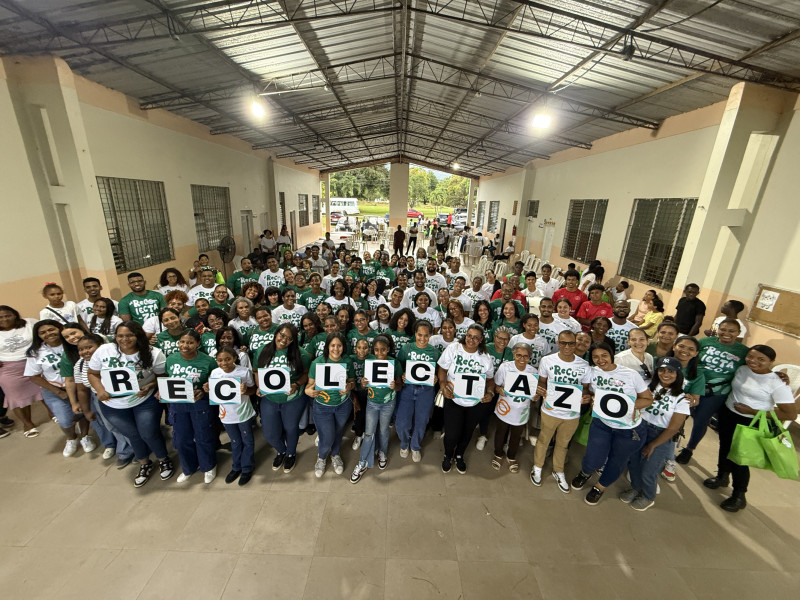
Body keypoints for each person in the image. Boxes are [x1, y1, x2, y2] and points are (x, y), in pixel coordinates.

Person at [704, 345, 796, 512]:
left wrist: (754, 411)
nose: (754, 361)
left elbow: (789, 414)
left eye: (761, 359)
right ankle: (722, 477)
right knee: (725, 447)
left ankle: (739, 495)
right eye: (751, 357)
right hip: (728, 414)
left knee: (740, 458)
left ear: (771, 362)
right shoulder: (743, 369)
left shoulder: (777, 383)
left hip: (750, 422)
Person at [87, 321, 174, 488]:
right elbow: (92, 373)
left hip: (143, 400)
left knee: (148, 432)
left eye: (129, 335)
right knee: (133, 435)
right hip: (112, 403)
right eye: (120, 335)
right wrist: (99, 389)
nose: (124, 339)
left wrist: (150, 385)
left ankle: (163, 458)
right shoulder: (105, 350)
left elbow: (162, 376)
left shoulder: (153, 353)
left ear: (138, 336)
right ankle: (144, 463)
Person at [571, 342, 654, 505]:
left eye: (604, 355)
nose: (600, 360)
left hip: (629, 430)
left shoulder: (630, 375)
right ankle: (585, 472)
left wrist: (626, 406)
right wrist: (589, 397)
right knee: (593, 456)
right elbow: (587, 390)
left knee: (617, 461)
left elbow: (648, 399)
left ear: (611, 355)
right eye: (595, 356)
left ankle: (600, 487)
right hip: (602, 424)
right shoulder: (592, 372)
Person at [620, 356, 690, 511]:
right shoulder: (646, 386)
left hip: (661, 435)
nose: (666, 374)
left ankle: (648, 496)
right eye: (662, 370)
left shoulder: (681, 399)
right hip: (640, 428)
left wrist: (653, 444)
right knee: (634, 463)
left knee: (649, 469)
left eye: (671, 371)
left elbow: (673, 428)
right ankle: (636, 488)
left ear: (678, 374)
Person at [676, 319, 749, 466]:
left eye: (731, 331)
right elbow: (690, 358)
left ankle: (689, 449)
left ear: (738, 333)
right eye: (723, 329)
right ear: (717, 329)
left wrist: (778, 376)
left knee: (700, 421)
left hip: (715, 392)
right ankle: (670, 442)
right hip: (692, 384)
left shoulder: (743, 351)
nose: (726, 333)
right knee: (679, 416)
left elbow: (755, 368)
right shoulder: (706, 342)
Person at [532, 330, 592, 492]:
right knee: (544, 440)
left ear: (575, 344)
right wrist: (541, 389)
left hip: (571, 414)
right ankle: (537, 467)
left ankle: (558, 470)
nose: (567, 346)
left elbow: (585, 388)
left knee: (563, 444)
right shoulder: (547, 361)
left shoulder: (583, 365)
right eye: (563, 343)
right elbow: (542, 381)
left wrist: (586, 397)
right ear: (558, 343)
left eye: (571, 343)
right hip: (550, 411)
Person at [25, 320, 92, 456]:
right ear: (38, 336)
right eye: (42, 332)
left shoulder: (72, 343)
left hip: (79, 385)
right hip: (55, 390)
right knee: (65, 419)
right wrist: (58, 392)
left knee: (84, 412)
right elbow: (34, 376)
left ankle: (85, 436)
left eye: (51, 329)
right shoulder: (35, 352)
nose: (48, 334)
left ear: (59, 329)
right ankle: (71, 438)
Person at [437, 324, 496, 474]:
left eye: (476, 337)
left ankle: (459, 455)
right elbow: (442, 369)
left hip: (475, 402)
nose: (472, 339)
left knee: (467, 431)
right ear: (465, 335)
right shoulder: (454, 348)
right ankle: (447, 454)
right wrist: (443, 386)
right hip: (454, 398)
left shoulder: (485, 357)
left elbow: (490, 379)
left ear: (481, 339)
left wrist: (490, 392)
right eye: (470, 335)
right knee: (451, 432)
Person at [165, 329, 218, 485]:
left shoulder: (208, 361)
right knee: (181, 439)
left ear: (198, 344)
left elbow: (214, 384)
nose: (185, 345)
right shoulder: (171, 359)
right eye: (182, 341)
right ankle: (188, 468)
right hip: (178, 404)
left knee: (203, 436)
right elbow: (168, 380)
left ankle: (208, 466)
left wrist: (203, 391)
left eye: (190, 342)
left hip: (199, 404)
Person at [73, 334, 134, 467]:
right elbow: (82, 389)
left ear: (101, 346)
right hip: (100, 399)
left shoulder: (112, 359)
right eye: (81, 349)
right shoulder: (80, 365)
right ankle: (126, 451)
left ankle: (139, 449)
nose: (85, 351)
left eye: (89, 347)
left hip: (122, 396)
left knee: (129, 425)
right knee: (112, 426)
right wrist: (86, 409)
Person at [257, 323, 311, 475]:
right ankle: (281, 450)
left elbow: (306, 373)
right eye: (282, 335)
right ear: (276, 334)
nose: (284, 340)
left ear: (293, 340)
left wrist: (297, 383)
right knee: (269, 433)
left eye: (289, 338)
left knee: (291, 428)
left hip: (293, 398)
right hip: (270, 398)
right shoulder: (263, 350)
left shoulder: (301, 354)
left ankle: (290, 454)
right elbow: (256, 370)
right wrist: (259, 385)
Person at [350, 335, 401, 483]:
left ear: (388, 349)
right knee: (369, 432)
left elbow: (399, 385)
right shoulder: (369, 362)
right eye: (376, 350)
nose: (379, 353)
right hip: (372, 402)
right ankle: (362, 462)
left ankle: (382, 452)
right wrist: (364, 384)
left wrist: (395, 386)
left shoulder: (394, 363)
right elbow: (365, 384)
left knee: (384, 430)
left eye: (383, 350)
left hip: (388, 403)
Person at [305, 332, 356, 478]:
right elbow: (309, 385)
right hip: (322, 406)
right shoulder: (318, 362)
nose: (336, 348)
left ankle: (335, 454)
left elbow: (352, 381)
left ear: (343, 347)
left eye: (339, 345)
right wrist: (308, 391)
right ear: (327, 347)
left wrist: (349, 386)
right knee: (327, 436)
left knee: (339, 432)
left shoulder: (347, 361)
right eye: (332, 345)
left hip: (343, 405)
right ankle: (321, 457)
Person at [395, 321, 440, 461]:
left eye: (426, 335)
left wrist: (436, 378)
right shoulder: (406, 348)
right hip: (407, 389)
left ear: (430, 335)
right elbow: (399, 366)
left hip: (425, 391)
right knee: (402, 422)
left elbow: (439, 371)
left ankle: (415, 446)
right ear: (415, 334)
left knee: (422, 421)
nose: (422, 338)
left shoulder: (434, 351)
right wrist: (401, 375)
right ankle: (404, 442)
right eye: (419, 335)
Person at [492, 342, 540, 473]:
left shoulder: (533, 372)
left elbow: (534, 393)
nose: (522, 359)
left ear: (530, 358)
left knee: (516, 435)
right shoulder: (505, 367)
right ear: (514, 355)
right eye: (519, 355)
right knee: (501, 432)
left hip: (521, 409)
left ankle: (511, 456)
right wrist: (499, 389)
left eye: (525, 356)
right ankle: (498, 454)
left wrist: (535, 397)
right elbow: (495, 386)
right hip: (505, 407)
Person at [0, 306, 43, 436]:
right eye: (0, 317)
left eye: (7, 315)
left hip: (34, 363)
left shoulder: (30, 323)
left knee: (45, 390)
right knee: (16, 398)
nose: (4, 319)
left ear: (15, 315)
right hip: (9, 369)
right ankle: (28, 424)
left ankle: (54, 414)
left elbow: (43, 333)